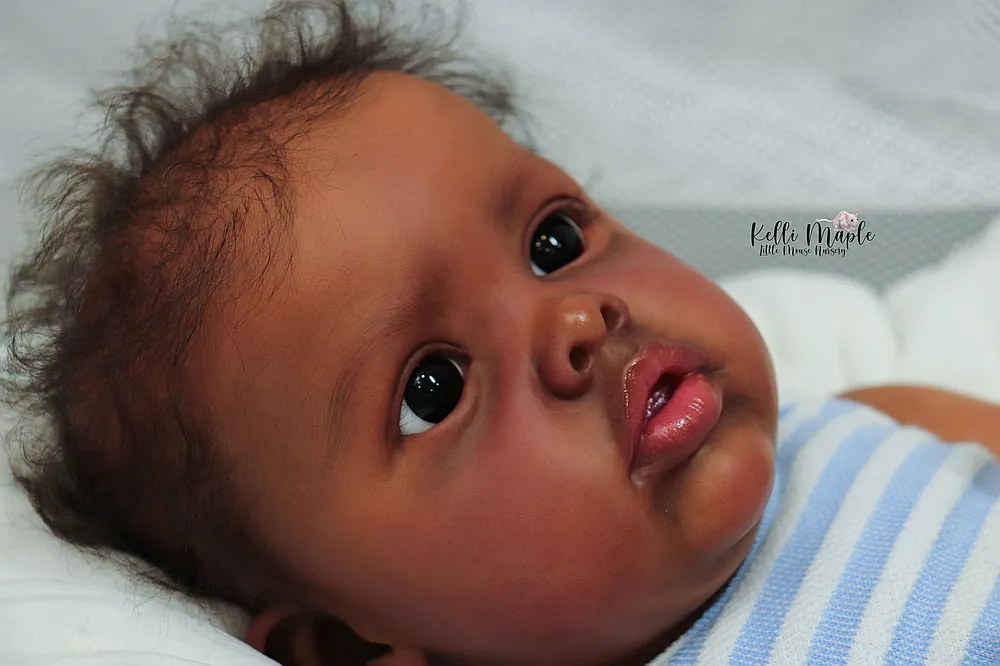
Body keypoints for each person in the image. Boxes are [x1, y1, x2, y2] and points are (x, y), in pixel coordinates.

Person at [4, 1, 1000, 663]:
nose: (577, 316)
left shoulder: (873, 428)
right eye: (433, 388)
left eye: (554, 241)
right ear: (350, 645)